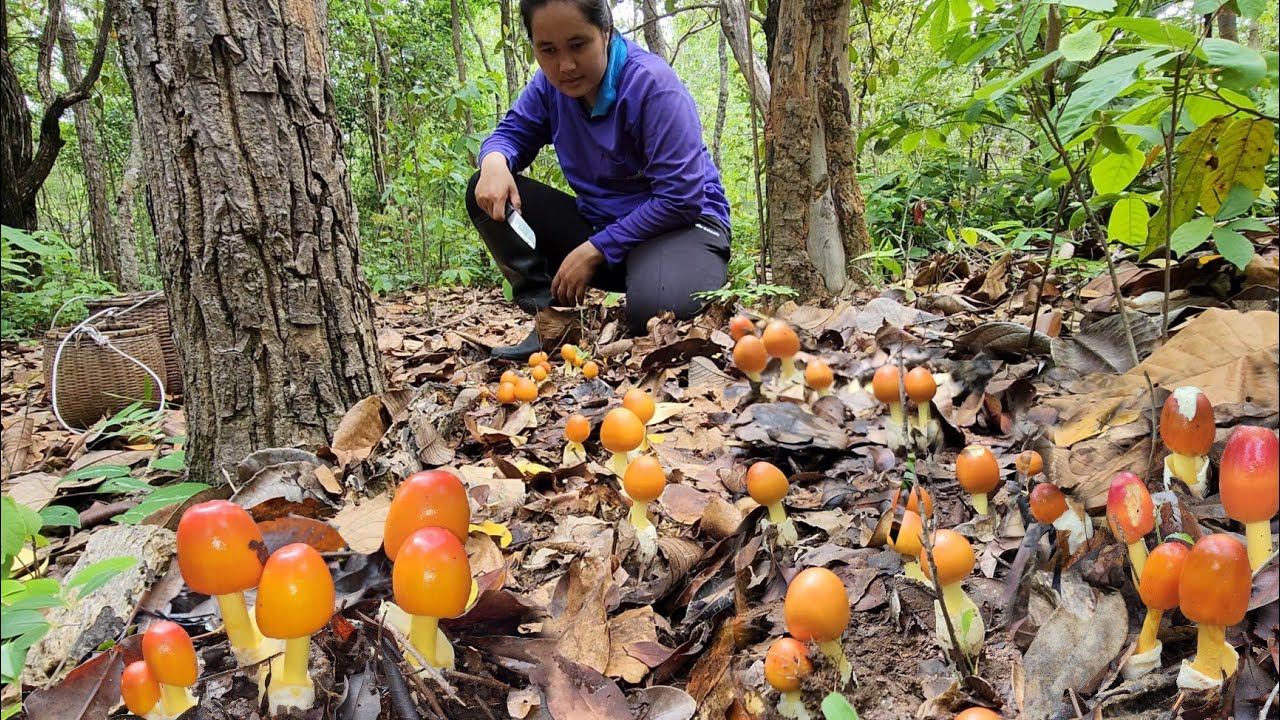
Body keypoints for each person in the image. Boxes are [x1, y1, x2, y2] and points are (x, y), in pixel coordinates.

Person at [468, 0, 732, 359]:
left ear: (605, 32)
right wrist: (495, 160)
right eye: (547, 50)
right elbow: (511, 134)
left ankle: (672, 277)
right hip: (603, 229)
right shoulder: (550, 88)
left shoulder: (650, 85)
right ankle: (552, 321)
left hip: (683, 227)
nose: (565, 65)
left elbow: (681, 198)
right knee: (483, 190)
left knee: (658, 314)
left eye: (578, 45)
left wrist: (597, 249)